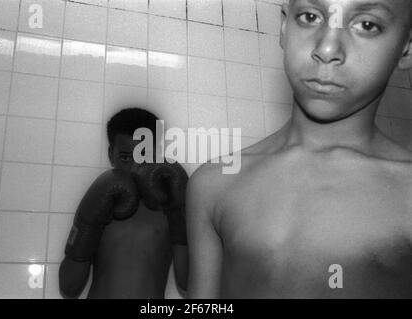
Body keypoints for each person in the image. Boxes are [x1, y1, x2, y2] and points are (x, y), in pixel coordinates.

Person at [187, 0, 412, 298]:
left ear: (407, 47)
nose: (327, 49)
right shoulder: (214, 185)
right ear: (284, 25)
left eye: (367, 25)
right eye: (310, 16)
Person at [59, 108, 188, 299]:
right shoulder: (100, 200)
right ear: (112, 154)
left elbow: (188, 283)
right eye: (126, 157)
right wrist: (86, 223)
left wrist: (179, 215)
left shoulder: (168, 206)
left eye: (143, 155)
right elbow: (69, 288)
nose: (135, 167)